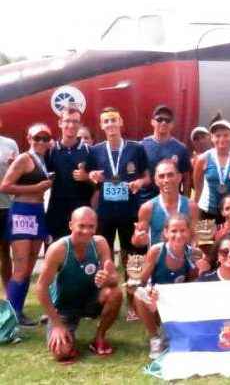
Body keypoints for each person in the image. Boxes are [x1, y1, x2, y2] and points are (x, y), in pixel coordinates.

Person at [86, 107, 150, 320]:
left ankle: (133, 304)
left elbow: (147, 177)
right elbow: (89, 175)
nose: (111, 124)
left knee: (133, 258)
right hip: (105, 213)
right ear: (102, 126)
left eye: (114, 120)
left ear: (121, 122)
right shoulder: (95, 151)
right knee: (103, 257)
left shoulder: (136, 149)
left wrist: (139, 182)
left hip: (129, 211)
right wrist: (91, 175)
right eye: (106, 121)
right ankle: (101, 301)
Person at [35, 207, 122, 362]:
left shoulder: (100, 243)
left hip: (92, 300)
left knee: (115, 293)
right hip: (64, 307)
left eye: (91, 226)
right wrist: (56, 324)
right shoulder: (59, 249)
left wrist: (107, 279)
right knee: (61, 353)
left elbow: (115, 279)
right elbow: (41, 287)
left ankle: (99, 337)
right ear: (71, 225)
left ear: (96, 226)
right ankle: (61, 328)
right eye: (81, 226)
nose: (87, 231)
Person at [133, 214, 209, 359]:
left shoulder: (194, 253)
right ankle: (155, 338)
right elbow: (141, 281)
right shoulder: (156, 251)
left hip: (179, 302)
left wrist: (202, 271)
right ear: (166, 232)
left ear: (189, 232)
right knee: (139, 294)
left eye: (183, 230)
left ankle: (181, 331)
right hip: (158, 300)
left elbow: (195, 285)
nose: (178, 235)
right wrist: (148, 290)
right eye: (174, 231)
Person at [0, 123, 52, 325]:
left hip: (38, 213)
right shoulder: (24, 158)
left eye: (45, 138)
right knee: (21, 268)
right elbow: (4, 186)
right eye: (36, 138)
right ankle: (9, 318)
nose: (41, 142)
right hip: (22, 212)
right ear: (28, 138)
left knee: (29, 267)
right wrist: (36, 187)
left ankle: (18, 312)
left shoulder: (43, 159)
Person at [45, 107, 93, 242]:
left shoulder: (89, 151)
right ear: (60, 123)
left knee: (82, 257)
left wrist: (87, 177)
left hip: (82, 213)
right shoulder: (50, 150)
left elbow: (99, 183)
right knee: (54, 257)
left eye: (75, 121)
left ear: (80, 124)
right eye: (67, 121)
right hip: (56, 213)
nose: (71, 125)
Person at [193, 117, 230, 224]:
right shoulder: (202, 159)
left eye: (226, 135)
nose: (222, 139)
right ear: (211, 138)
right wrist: (195, 211)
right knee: (205, 241)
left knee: (229, 241)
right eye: (217, 136)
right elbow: (197, 188)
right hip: (206, 211)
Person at [132, 159, 198, 247]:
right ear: (156, 180)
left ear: (179, 177)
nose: (166, 180)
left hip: (184, 258)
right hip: (158, 259)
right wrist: (138, 239)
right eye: (161, 176)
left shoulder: (191, 206)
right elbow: (137, 241)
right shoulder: (147, 208)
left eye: (170, 175)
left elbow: (194, 236)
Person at [140, 105, 192, 202]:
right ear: (152, 122)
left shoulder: (181, 148)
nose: (164, 122)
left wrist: (185, 200)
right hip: (146, 201)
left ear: (172, 124)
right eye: (159, 119)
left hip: (172, 202)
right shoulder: (141, 146)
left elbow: (186, 178)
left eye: (168, 120)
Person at [0, 117, 19, 291]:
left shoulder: (10, 144)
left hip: (9, 206)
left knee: (7, 253)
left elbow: (20, 172)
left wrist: (14, 165)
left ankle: (9, 295)